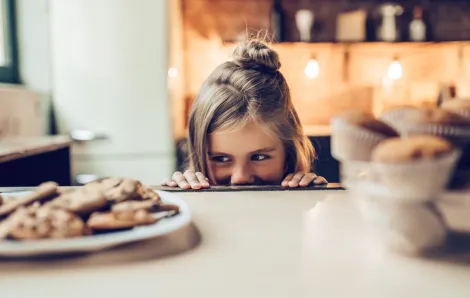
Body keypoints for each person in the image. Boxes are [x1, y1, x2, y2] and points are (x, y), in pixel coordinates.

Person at [162, 40, 327, 189]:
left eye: (260, 157)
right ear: (199, 152)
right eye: (221, 159)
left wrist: (307, 197)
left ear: (289, 154)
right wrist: (184, 198)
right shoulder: (186, 205)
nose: (240, 178)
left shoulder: (303, 199)